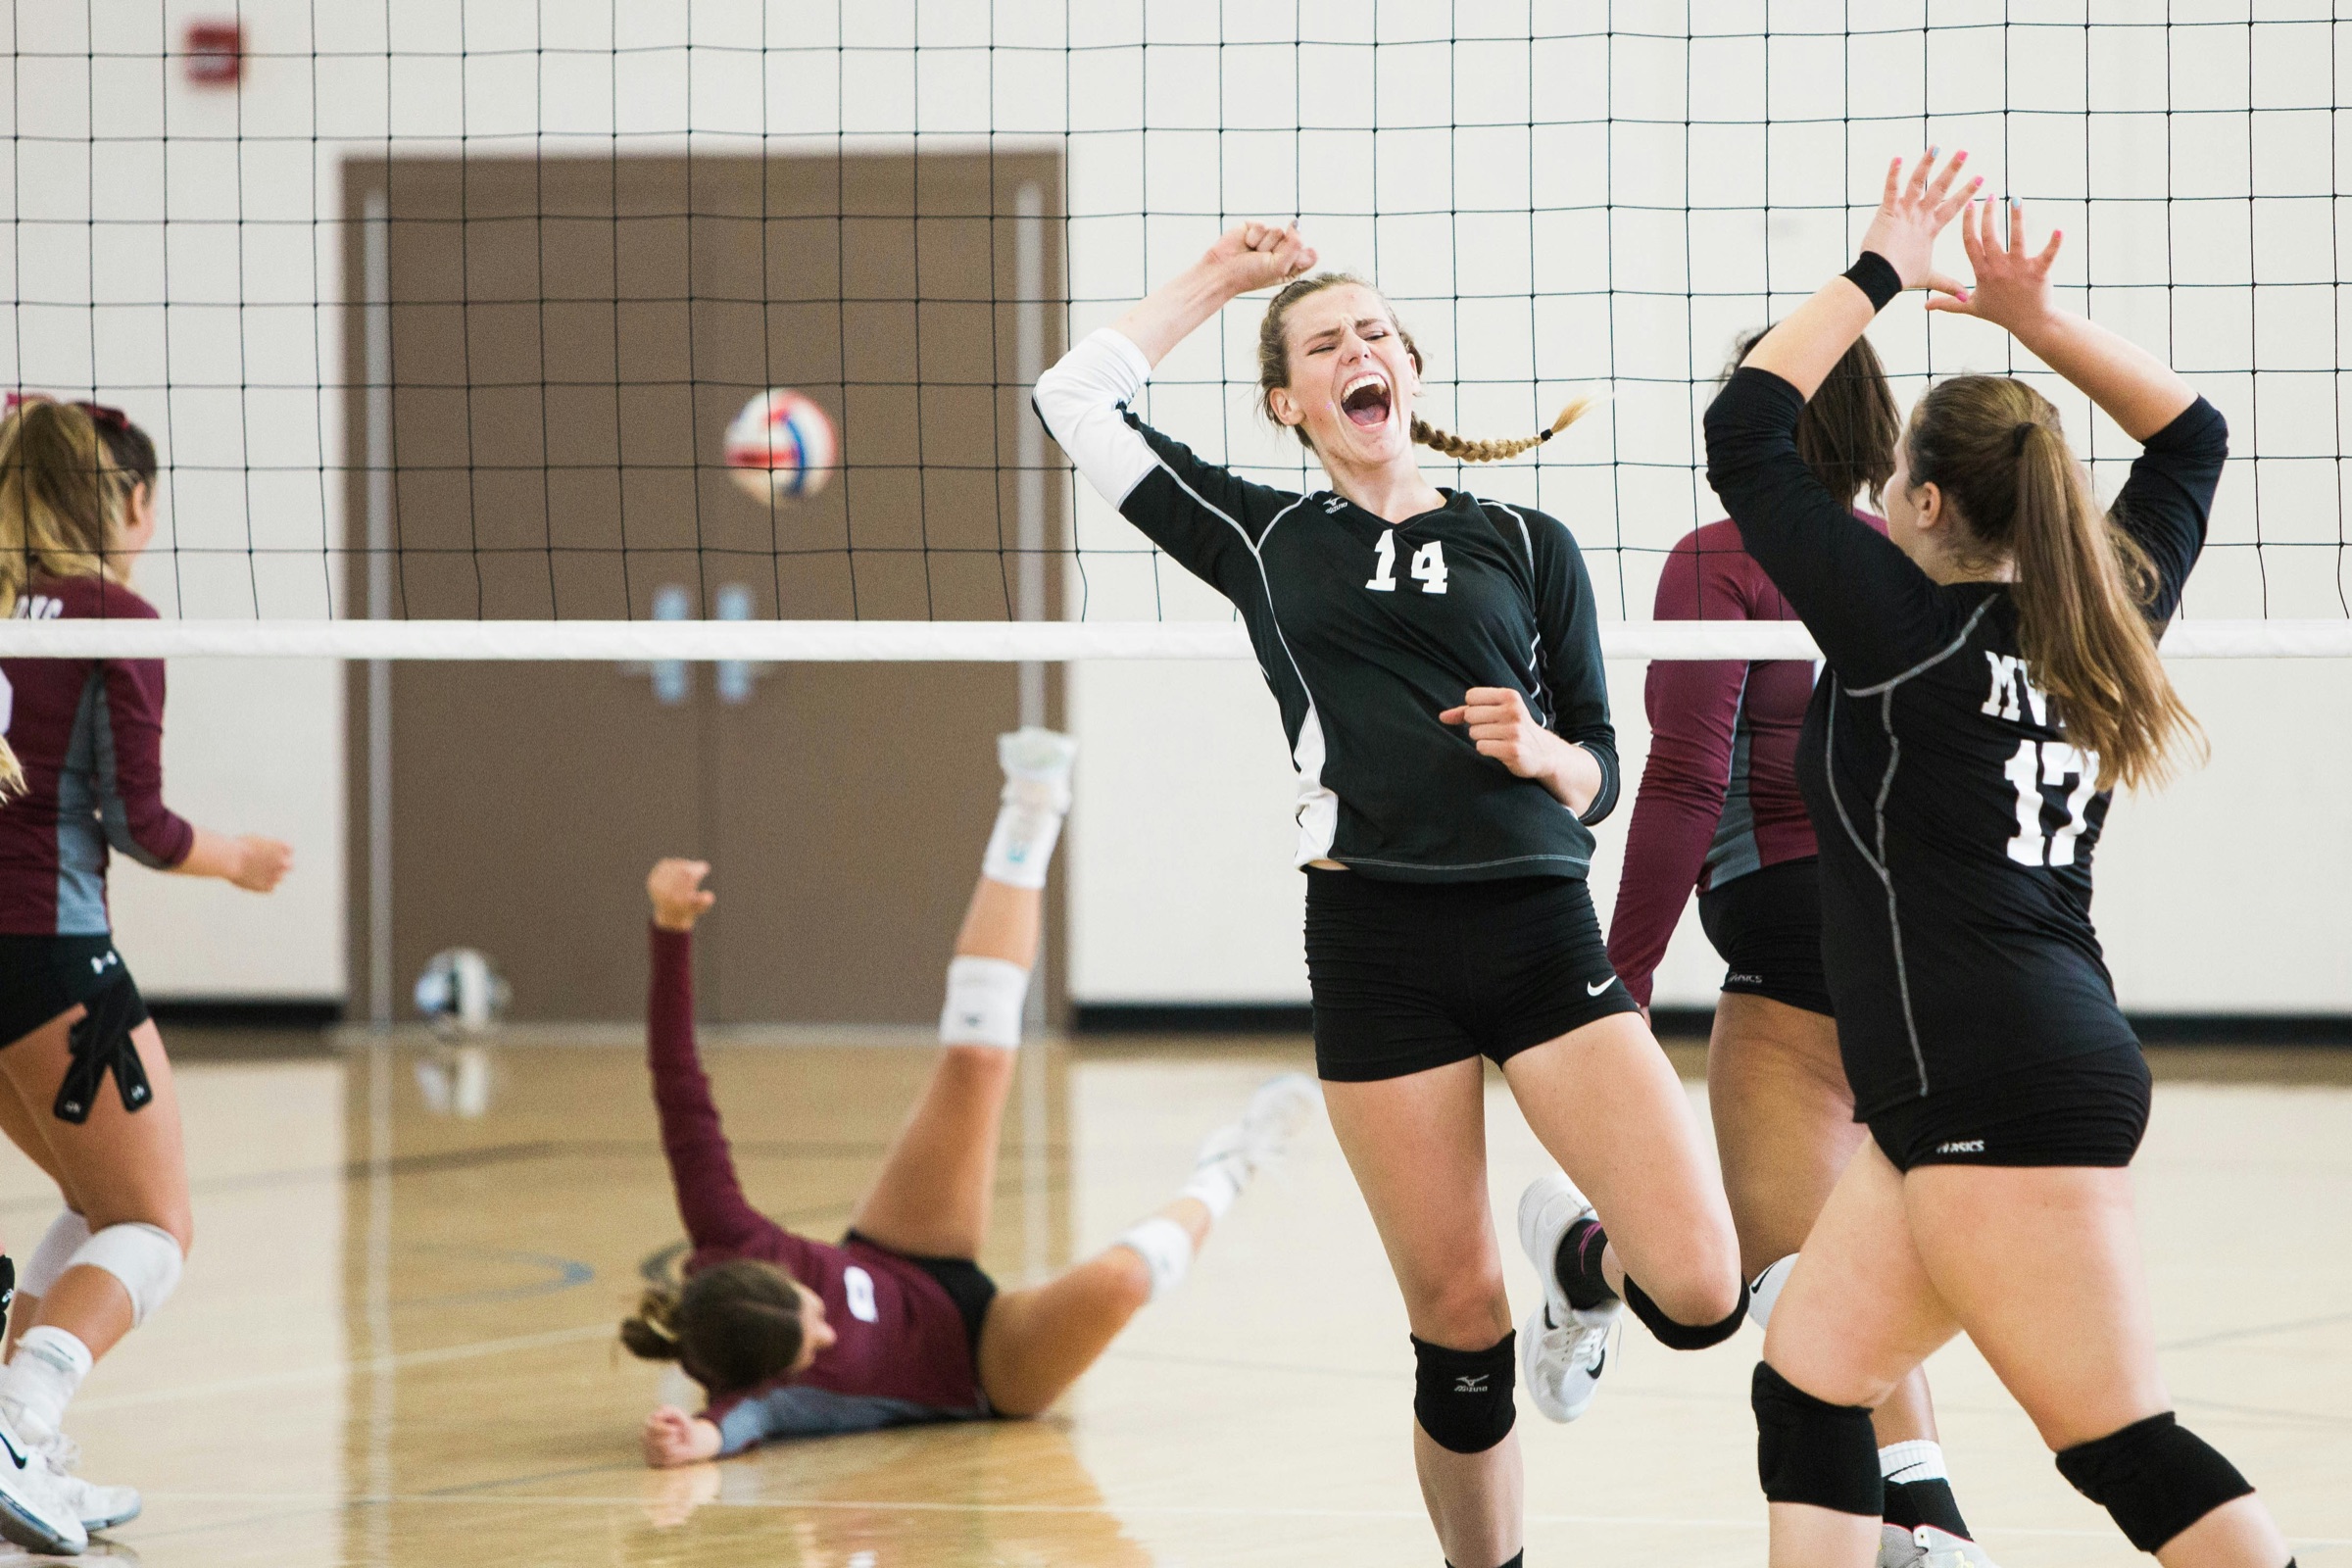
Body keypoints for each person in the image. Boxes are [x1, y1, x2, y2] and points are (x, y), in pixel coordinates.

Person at [1033, 225, 1744, 1568]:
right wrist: (1225, 283)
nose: (1357, 352)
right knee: (1457, 1318)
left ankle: (1577, 1265)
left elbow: (1600, 771)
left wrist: (1545, 754)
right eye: (1322, 344)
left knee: (1702, 1292)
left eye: (1374, 334)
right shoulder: (1260, 534)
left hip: (1537, 926)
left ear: (1410, 370)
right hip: (1376, 942)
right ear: (1287, 403)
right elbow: (1072, 397)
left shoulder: (1528, 541)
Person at [1705, 151, 2296, 1568]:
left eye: (1901, 478)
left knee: (2118, 1446)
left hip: (1995, 1080)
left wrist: (1881, 272)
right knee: (1808, 1386)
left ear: (1913, 507)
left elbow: (1746, 429)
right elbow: (2194, 440)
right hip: (1986, 1073)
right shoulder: (2105, 618)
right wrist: (2034, 325)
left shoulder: (1902, 633)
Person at [626, 728, 1316, 1463]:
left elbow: (679, 1087)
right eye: (813, 1347)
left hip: (903, 1254)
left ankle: (1033, 804)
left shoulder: (726, 1229)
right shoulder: (766, 1395)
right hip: (984, 1366)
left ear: (762, 1274)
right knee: (1118, 1281)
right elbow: (732, 1426)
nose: (828, 1333)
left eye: (812, 1313)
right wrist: (693, 1440)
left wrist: (670, 932)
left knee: (977, 1058)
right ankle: (1230, 1167)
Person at [1608, 337, 1996, 1568]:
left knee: (1776, 1281)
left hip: (1790, 937)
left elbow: (1684, 776)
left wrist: (1615, 985)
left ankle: (1579, 1256)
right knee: (1842, 1259)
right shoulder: (1920, 566)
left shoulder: (1724, 556)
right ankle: (1930, 1516)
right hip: (1929, 946)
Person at [0, 396, 294, 1553]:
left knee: (96, 1203)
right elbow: (140, 821)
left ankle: (19, 1437)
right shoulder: (111, 613)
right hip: (51, 960)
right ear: (127, 501)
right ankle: (20, 1422)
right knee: (157, 1226)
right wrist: (237, 862)